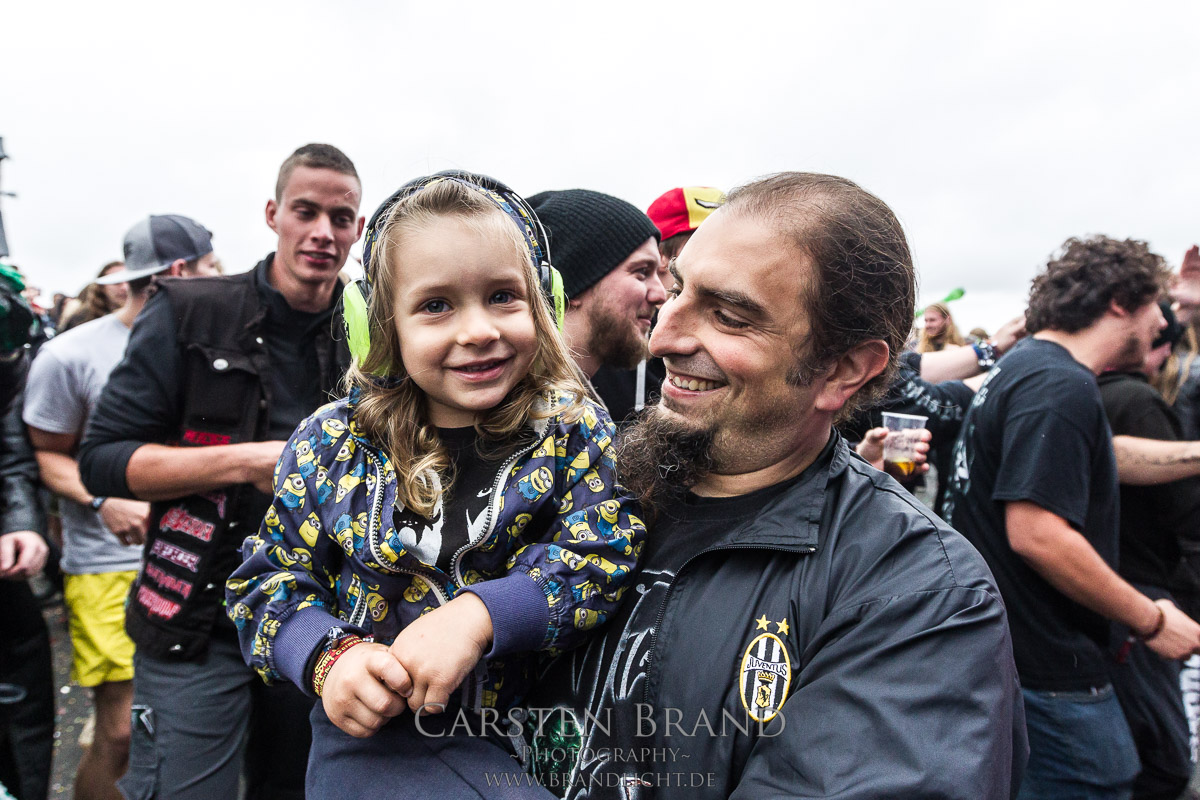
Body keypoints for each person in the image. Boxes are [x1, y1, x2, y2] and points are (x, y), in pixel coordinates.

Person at [528, 172, 1025, 799]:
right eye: (676, 291)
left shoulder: (918, 593)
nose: (663, 337)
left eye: (729, 317)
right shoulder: (570, 484)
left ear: (843, 370)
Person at [226, 174, 645, 796]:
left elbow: (605, 552)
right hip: (379, 747)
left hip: (542, 740)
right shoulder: (330, 443)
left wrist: (483, 615)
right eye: (436, 306)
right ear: (378, 326)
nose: (477, 330)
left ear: (545, 304)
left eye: (503, 296)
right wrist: (326, 658)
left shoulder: (572, 429)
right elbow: (266, 581)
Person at [79, 143, 364, 800]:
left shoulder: (368, 327)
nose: (323, 233)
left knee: (296, 789)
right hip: (198, 617)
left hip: (318, 617)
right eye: (306, 211)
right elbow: (103, 460)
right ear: (273, 214)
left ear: (357, 228)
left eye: (341, 218)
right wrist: (250, 461)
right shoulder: (191, 309)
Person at [943, 235, 1200, 799]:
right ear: (1119, 301)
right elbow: (1037, 533)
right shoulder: (1059, 384)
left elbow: (1104, 459)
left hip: (1017, 658)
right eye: (1155, 306)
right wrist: (1152, 620)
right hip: (1051, 669)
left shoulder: (1027, 370)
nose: (1163, 322)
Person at [24, 215, 214, 800]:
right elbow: (44, 454)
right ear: (179, 272)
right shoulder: (68, 355)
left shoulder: (213, 345)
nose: (222, 278)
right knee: (122, 730)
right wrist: (103, 498)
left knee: (181, 730)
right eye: (211, 267)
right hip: (108, 564)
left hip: (201, 565)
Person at [1099, 300, 1197, 800]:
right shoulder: (1137, 400)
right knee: (1165, 760)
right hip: (1139, 593)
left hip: (1107, 591)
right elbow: (1187, 511)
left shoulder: (1084, 390)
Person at [527, 190, 667, 420]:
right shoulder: (530, 422)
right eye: (642, 272)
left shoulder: (573, 417)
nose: (660, 295)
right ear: (567, 281)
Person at [60, 261, 127, 332]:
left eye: (129, 282)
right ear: (102, 287)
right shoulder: (82, 319)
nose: (125, 287)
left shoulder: (134, 319)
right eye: (116, 282)